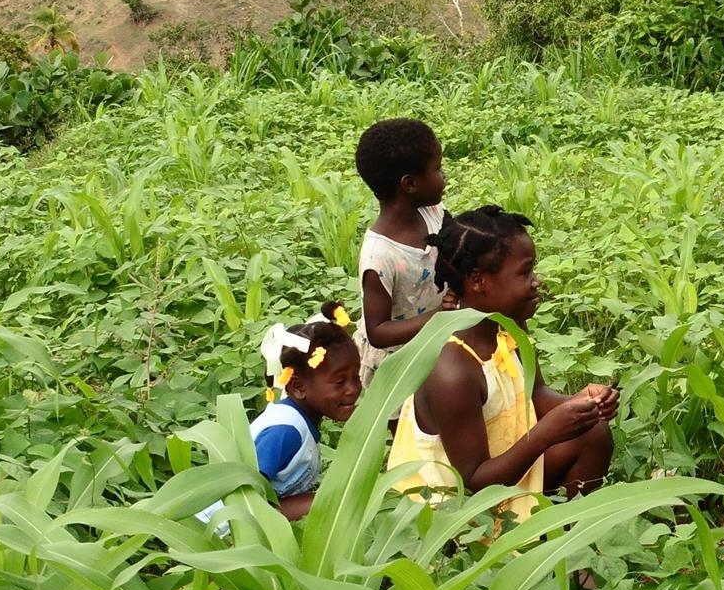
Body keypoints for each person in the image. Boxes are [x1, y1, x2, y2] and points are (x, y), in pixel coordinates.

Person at [387, 204, 617, 518]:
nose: (536, 281)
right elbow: (475, 482)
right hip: (454, 509)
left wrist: (580, 404)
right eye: (525, 272)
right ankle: (529, 537)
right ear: (478, 280)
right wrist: (544, 434)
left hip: (501, 469)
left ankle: (566, 535)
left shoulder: (508, 325)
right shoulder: (451, 368)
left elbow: (535, 393)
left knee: (593, 433)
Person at [204, 306, 363, 530]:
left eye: (356, 377)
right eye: (340, 382)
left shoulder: (299, 421)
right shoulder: (285, 431)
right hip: (225, 531)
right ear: (298, 387)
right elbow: (245, 497)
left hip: (251, 520)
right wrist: (316, 502)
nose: (353, 389)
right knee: (331, 502)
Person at [355, 117, 458, 390]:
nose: (444, 176)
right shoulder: (380, 257)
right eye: (438, 168)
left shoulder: (434, 214)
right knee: (408, 419)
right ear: (410, 184)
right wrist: (438, 316)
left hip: (432, 346)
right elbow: (378, 332)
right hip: (395, 368)